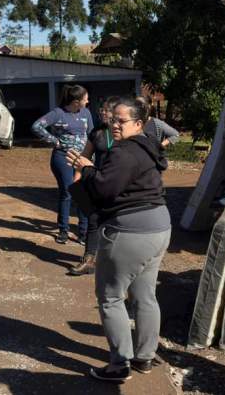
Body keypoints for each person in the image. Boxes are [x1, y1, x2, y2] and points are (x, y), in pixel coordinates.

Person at [67, 96, 171, 383]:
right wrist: (89, 166)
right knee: (145, 295)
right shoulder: (148, 146)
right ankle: (145, 357)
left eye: (121, 120)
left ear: (138, 123)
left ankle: (119, 365)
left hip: (131, 231)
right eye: (113, 119)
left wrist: (87, 167)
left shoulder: (124, 151)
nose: (114, 125)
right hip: (159, 226)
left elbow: (104, 188)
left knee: (111, 297)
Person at [32, 84, 93, 244]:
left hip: (81, 160)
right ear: (76, 101)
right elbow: (37, 126)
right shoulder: (58, 113)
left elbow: (91, 134)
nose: (88, 101)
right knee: (67, 192)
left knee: (83, 194)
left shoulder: (86, 113)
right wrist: (54, 141)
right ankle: (63, 231)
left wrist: (91, 157)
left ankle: (84, 233)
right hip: (63, 158)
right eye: (86, 98)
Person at [69, 96, 119, 276]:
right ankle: (89, 260)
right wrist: (77, 180)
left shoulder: (123, 132)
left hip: (118, 183)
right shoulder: (96, 132)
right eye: (101, 109)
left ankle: (115, 263)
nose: (102, 112)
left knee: (117, 222)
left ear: (115, 112)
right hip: (96, 181)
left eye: (106, 110)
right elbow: (85, 156)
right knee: (94, 220)